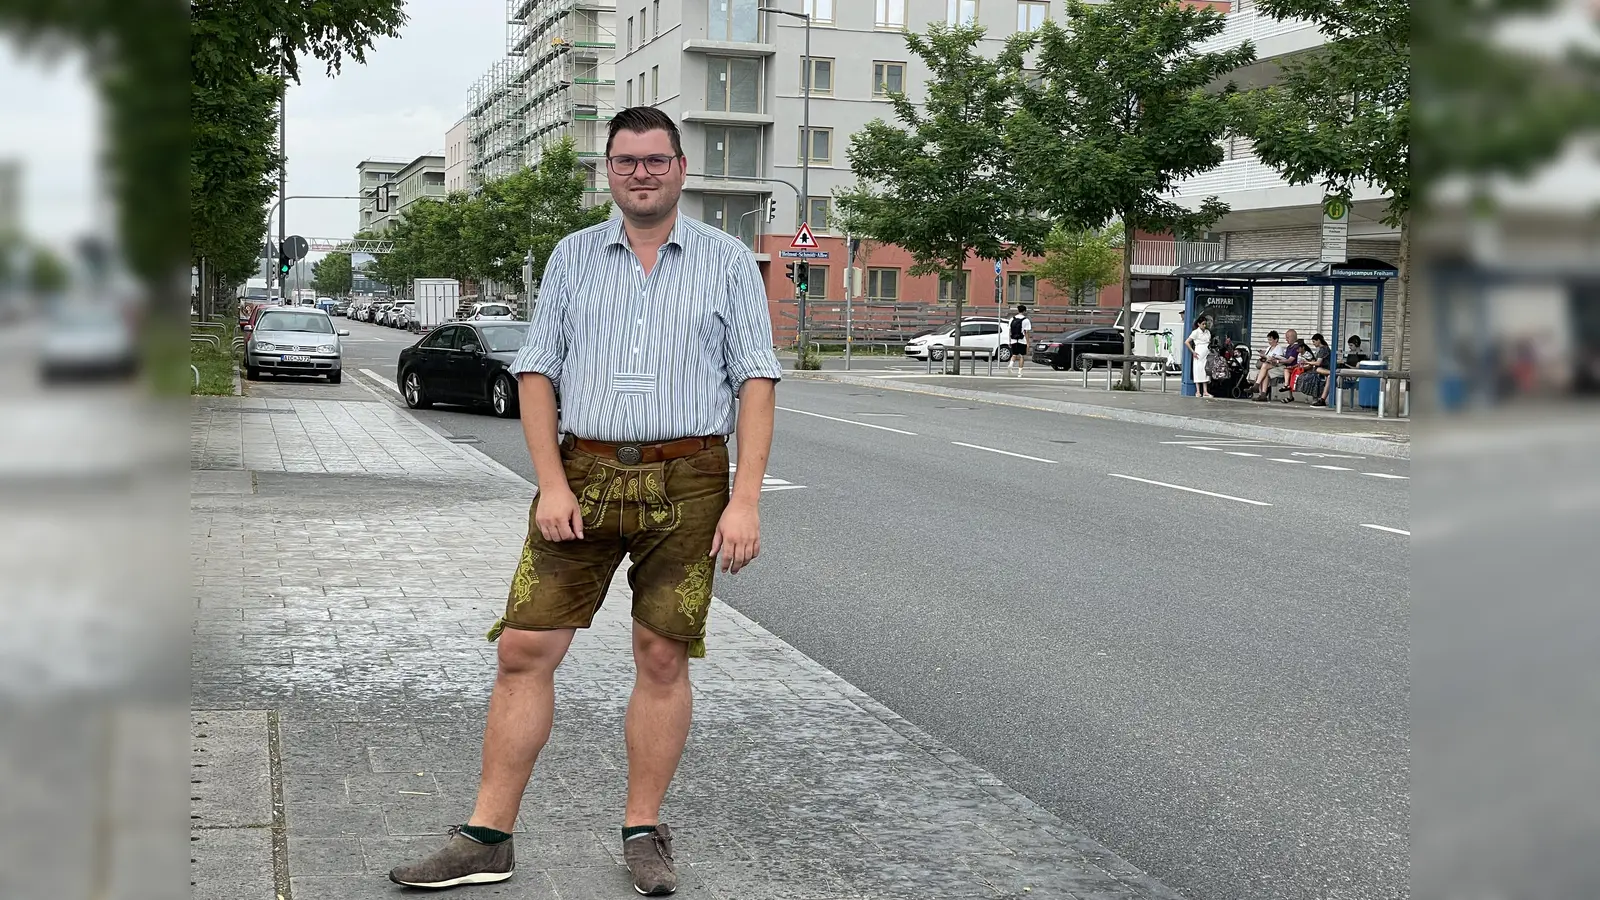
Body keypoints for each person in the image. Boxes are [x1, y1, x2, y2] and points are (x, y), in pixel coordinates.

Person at [388, 107, 783, 897]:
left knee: (662, 656)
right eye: (626, 161)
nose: (642, 173)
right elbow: (537, 374)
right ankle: (486, 837)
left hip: (691, 480)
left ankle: (644, 831)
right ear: (608, 169)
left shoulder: (730, 263)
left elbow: (756, 380)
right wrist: (552, 483)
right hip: (585, 476)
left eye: (656, 160)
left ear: (681, 167)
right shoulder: (571, 258)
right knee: (524, 649)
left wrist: (747, 500)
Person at [1250, 330, 1289, 400]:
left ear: (1276, 339)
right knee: (1263, 373)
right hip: (1269, 365)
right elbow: (1267, 358)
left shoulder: (1279, 348)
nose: (1269, 341)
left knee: (1264, 366)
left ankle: (1256, 385)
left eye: (1270, 340)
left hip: (1276, 365)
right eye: (1268, 340)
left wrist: (1268, 358)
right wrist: (1263, 356)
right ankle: (1262, 394)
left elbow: (1278, 359)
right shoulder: (1269, 348)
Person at [1186, 314, 1214, 399]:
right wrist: (1193, 351)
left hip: (1206, 352)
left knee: (1206, 370)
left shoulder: (1207, 332)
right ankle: (1198, 391)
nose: (1204, 326)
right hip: (1199, 352)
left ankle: (1205, 391)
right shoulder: (1196, 332)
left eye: (1205, 324)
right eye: (1203, 324)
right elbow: (1187, 341)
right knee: (1198, 370)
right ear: (1199, 324)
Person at [1006, 304, 1032, 377]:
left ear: (1018, 310)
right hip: (1022, 340)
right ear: (1024, 311)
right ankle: (1020, 372)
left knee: (1014, 354)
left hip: (1013, 339)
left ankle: (1011, 364)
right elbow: (1026, 332)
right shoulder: (1026, 320)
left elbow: (1010, 331)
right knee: (1021, 356)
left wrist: (1009, 341)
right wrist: (1028, 342)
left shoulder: (1012, 319)